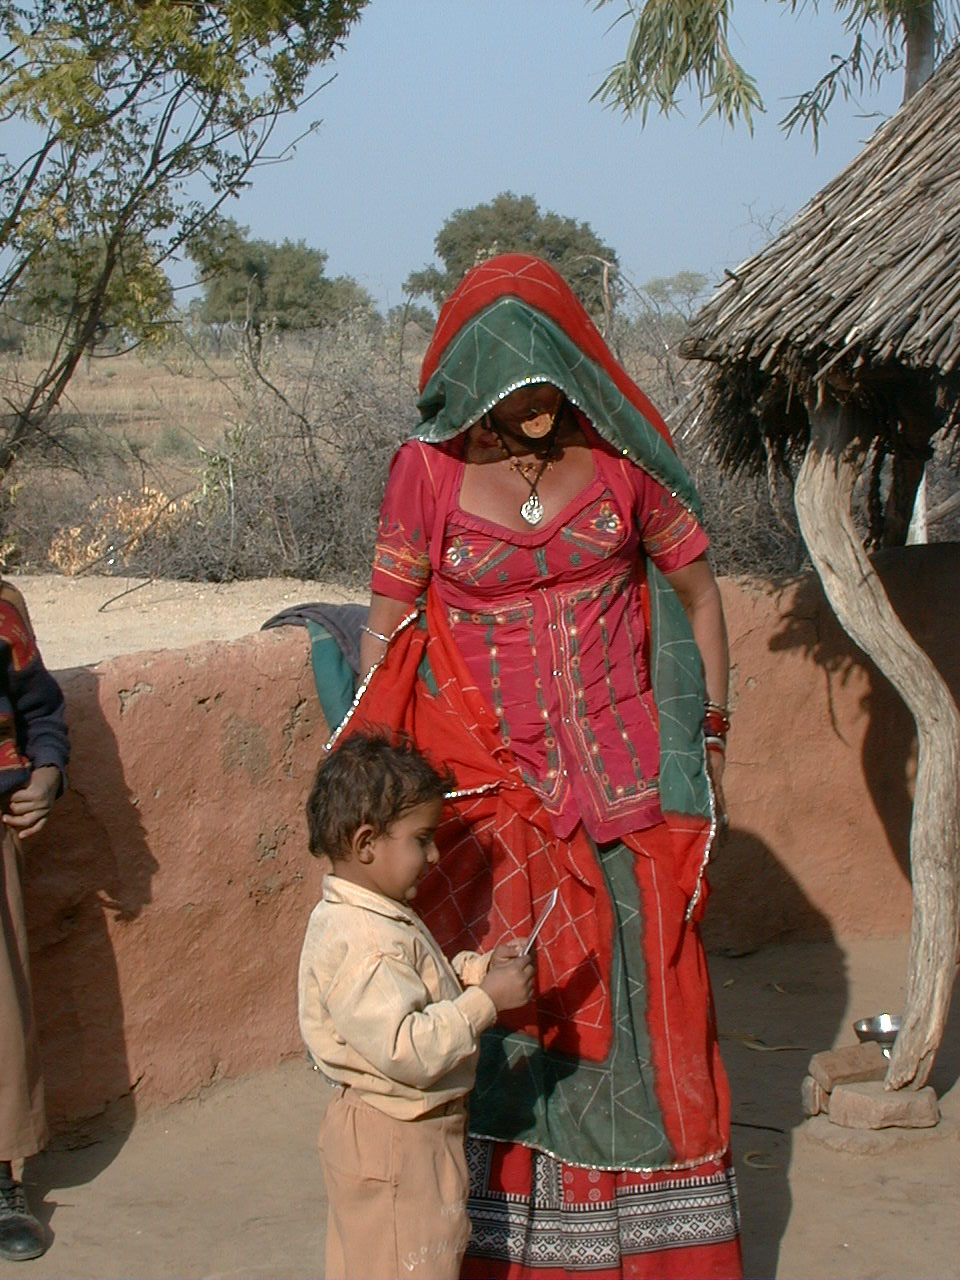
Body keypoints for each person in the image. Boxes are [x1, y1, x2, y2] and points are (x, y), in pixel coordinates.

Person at [335, 253, 742, 1279]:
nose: (530, 399)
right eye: (507, 383)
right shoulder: (424, 474)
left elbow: (696, 591)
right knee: (509, 1037)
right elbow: (388, 646)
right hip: (486, 812)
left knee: (655, 1032)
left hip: (629, 804)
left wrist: (707, 740)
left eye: (545, 377)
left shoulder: (618, 467)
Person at [298, 731, 535, 1280]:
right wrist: (483, 1004)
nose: (433, 855)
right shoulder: (368, 941)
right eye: (423, 839)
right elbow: (407, 1047)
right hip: (396, 1141)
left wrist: (477, 972)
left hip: (399, 1135)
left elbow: (414, 991)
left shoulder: (374, 916)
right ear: (365, 844)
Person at [0, 580, 70, 1263]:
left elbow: (41, 711)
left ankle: (1, 1178)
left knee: (1, 1017)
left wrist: (46, 776)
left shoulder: (2, 611)